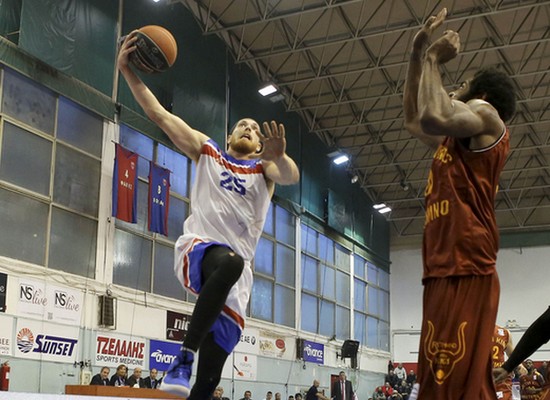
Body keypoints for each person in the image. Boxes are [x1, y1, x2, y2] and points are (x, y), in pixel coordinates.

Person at [117, 31, 299, 400]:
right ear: (229, 136)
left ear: (260, 146)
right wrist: (126, 71)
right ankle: (184, 355)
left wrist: (280, 157)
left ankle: (193, 376)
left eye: (254, 129)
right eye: (242, 125)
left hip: (237, 277)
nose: (248, 128)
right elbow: (158, 114)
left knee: (210, 380)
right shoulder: (208, 151)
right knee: (229, 262)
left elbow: (290, 175)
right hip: (200, 250)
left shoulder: (264, 171)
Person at [403, 6, 517, 400]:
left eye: (462, 86)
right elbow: (414, 119)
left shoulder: (486, 115)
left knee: (456, 382)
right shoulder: (456, 139)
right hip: (441, 266)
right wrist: (417, 54)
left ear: (480, 95)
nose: (454, 90)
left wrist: (434, 59)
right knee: (437, 383)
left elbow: (434, 115)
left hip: (468, 264)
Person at [493, 307, 550, 383]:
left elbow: (541, 329)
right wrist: (508, 367)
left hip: (499, 376)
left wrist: (513, 366)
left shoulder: (505, 333)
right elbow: (541, 329)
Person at [492, 325, 515, 400]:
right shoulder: (472, 330)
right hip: (480, 377)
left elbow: (511, 354)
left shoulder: (505, 332)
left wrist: (519, 365)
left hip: (500, 377)